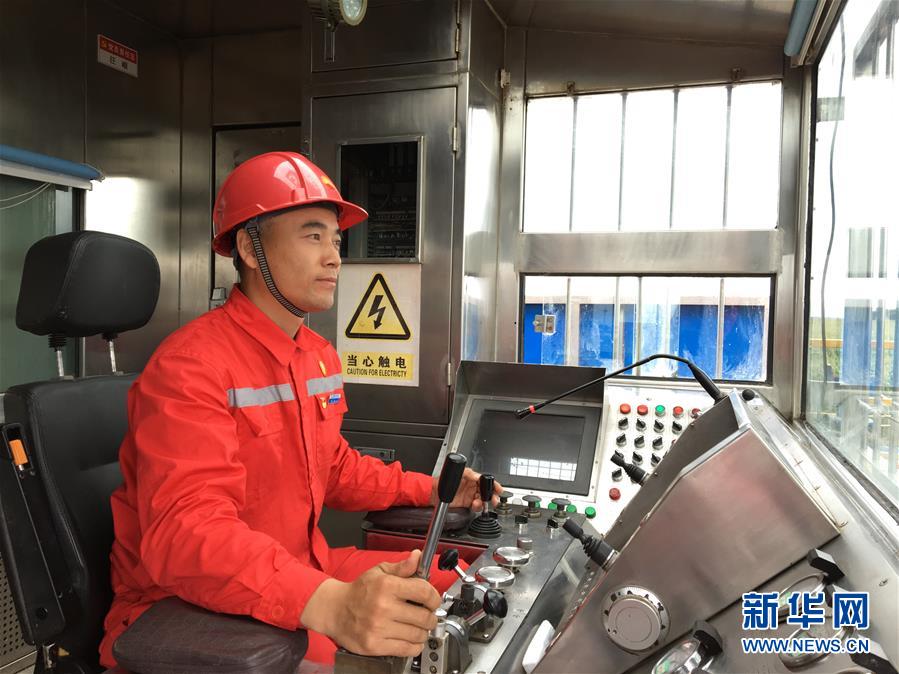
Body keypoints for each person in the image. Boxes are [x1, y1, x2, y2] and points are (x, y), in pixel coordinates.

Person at [100, 151, 502, 666]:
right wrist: (332, 604)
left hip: (302, 568)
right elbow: (187, 533)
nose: (334, 257)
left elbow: (332, 468)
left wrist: (434, 489)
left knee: (464, 586)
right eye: (313, 236)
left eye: (336, 240)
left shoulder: (317, 356)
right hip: (192, 610)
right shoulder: (190, 367)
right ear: (250, 248)